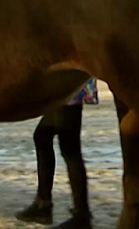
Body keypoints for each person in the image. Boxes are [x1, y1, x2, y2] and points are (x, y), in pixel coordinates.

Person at [16, 80, 97, 228]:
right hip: (64, 86)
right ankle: (43, 204)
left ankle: (81, 215)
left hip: (68, 85)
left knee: (70, 148)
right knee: (42, 136)